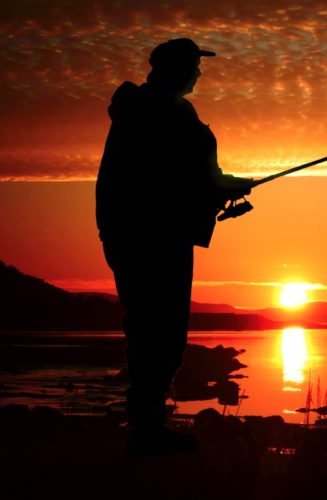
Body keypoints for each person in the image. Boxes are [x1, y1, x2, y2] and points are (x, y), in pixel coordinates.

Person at [95, 38, 253, 457]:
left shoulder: (152, 110)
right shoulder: (161, 113)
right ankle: (146, 434)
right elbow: (169, 180)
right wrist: (222, 187)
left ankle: (147, 428)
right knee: (159, 333)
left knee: (152, 331)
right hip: (156, 239)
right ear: (175, 68)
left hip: (144, 235)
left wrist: (222, 187)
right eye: (194, 66)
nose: (199, 73)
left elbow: (177, 179)